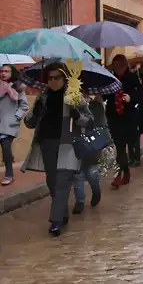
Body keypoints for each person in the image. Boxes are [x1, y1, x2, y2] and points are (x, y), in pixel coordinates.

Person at [21, 63, 94, 236]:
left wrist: (77, 115)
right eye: (50, 78)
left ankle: (55, 222)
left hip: (68, 144)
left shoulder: (74, 96)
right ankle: (61, 212)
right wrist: (37, 112)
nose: (53, 81)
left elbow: (90, 121)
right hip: (47, 143)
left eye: (57, 77)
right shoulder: (43, 97)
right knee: (52, 182)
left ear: (64, 79)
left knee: (62, 182)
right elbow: (29, 123)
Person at [105, 55, 140, 187]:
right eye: (115, 67)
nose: (118, 69)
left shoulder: (132, 78)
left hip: (128, 117)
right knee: (119, 148)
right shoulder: (110, 79)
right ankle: (120, 174)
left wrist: (131, 97)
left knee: (126, 147)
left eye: (120, 67)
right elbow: (105, 95)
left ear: (125, 66)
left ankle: (125, 172)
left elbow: (140, 94)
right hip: (114, 117)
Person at [72, 92, 105, 214]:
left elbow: (96, 123)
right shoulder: (69, 105)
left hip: (90, 143)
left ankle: (96, 192)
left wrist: (82, 109)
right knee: (77, 173)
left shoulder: (96, 105)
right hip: (74, 143)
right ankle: (80, 201)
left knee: (91, 172)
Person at [0, 64, 28, 186]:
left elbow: (24, 105)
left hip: (9, 124)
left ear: (12, 73)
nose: (3, 73)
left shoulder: (18, 88)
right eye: (1, 71)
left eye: (6, 71)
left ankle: (9, 175)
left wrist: (16, 117)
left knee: (6, 147)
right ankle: (9, 159)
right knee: (5, 150)